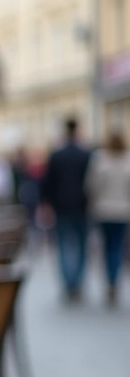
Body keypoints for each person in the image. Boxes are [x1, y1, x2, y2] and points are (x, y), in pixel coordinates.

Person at [40, 117, 92, 301]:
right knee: (82, 247)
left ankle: (68, 282)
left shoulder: (57, 154)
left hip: (60, 206)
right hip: (82, 207)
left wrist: (46, 204)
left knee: (62, 246)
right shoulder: (86, 154)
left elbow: (47, 182)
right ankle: (76, 282)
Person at [85, 131, 130, 305]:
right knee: (117, 247)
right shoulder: (127, 159)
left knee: (106, 246)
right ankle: (113, 281)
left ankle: (110, 280)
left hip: (103, 210)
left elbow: (92, 185)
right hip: (122, 211)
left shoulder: (100, 159)